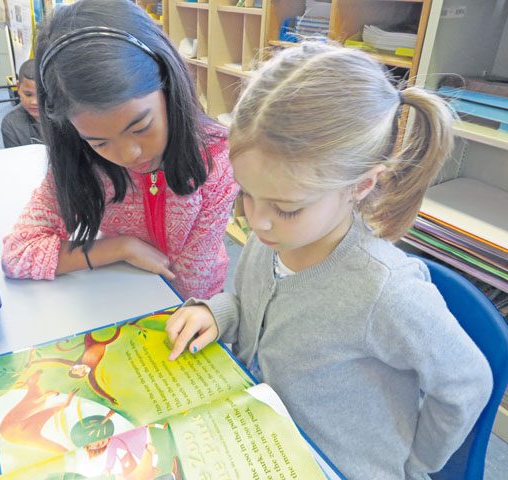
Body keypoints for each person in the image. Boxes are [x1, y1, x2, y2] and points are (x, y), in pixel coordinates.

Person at [165, 43, 493, 479]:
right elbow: (256, 309)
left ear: (360, 186)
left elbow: (467, 383)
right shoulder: (273, 242)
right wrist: (220, 312)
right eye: (246, 193)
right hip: (263, 437)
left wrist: (415, 466)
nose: (256, 221)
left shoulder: (387, 291)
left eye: (286, 207)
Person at [1, 0, 237, 300]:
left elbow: (194, 287)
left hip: (194, 305)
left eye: (140, 127)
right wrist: (121, 247)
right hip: (124, 295)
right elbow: (19, 252)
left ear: (168, 84)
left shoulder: (215, 158)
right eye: (99, 142)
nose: (128, 155)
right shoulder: (81, 161)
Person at [1, 59, 43, 147]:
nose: (34, 102)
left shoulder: (64, 116)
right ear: (18, 88)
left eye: (41, 95)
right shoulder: (10, 123)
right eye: (28, 94)